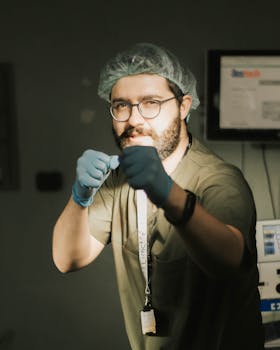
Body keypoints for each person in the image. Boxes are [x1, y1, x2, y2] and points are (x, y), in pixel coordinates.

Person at [52, 43, 264, 350]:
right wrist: (80, 195)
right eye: (121, 105)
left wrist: (168, 193)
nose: (134, 119)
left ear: (183, 106)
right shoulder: (120, 179)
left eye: (151, 103)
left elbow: (230, 263)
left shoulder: (217, 179)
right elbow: (66, 258)